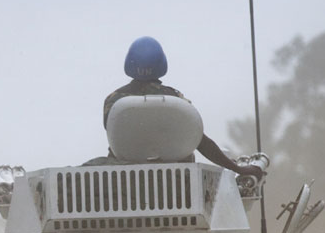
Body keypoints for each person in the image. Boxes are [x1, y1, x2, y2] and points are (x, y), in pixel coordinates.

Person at [103, 36, 263, 178]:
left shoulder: (114, 101)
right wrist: (238, 169)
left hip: (125, 182)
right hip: (175, 184)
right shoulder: (176, 101)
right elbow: (200, 140)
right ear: (162, 64)